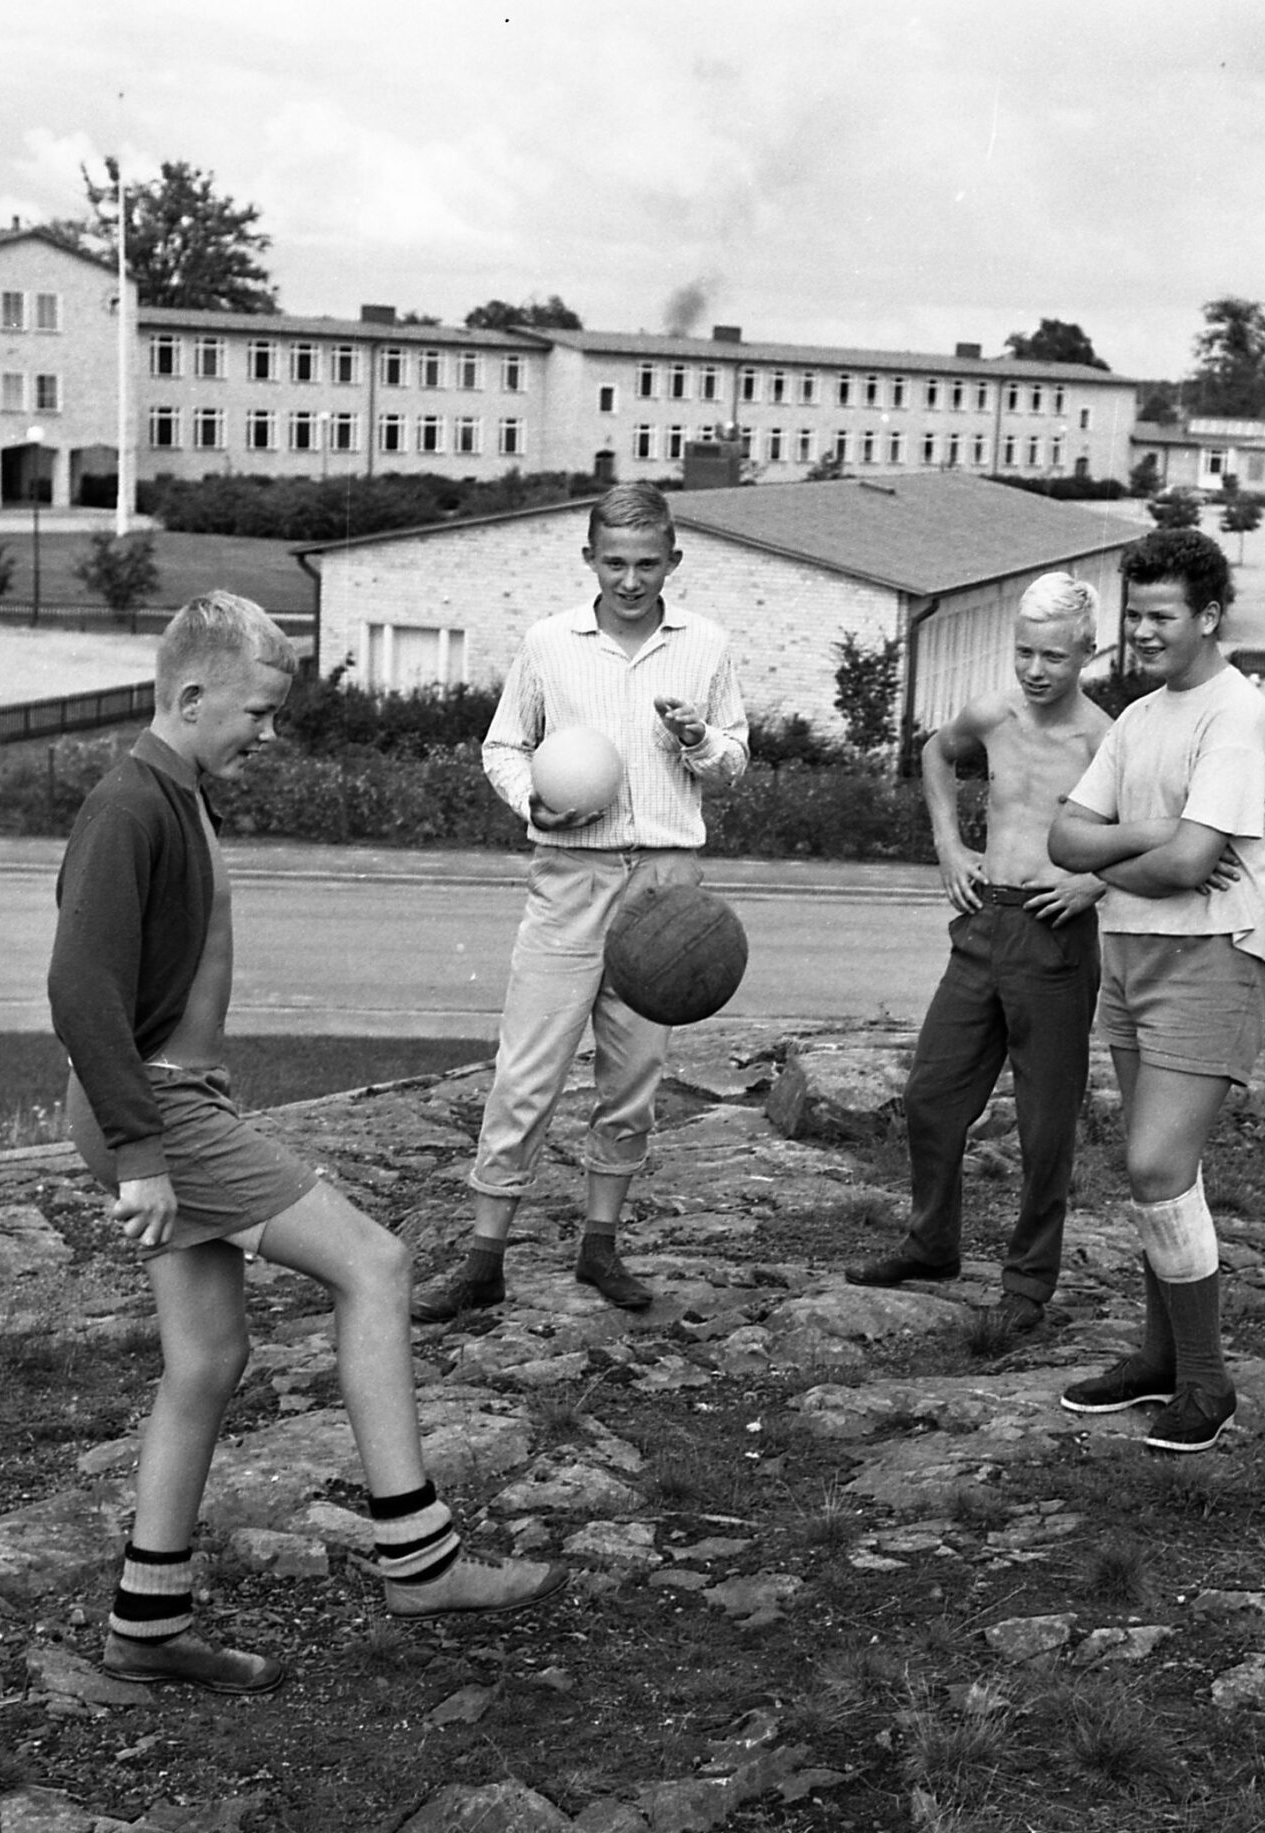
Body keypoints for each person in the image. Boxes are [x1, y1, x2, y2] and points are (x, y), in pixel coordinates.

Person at [49, 590, 564, 1694]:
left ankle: (146, 1626)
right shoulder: (128, 807)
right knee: (374, 1265)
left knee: (207, 1362)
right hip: (160, 1112)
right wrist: (142, 1151)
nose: (270, 734)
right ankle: (418, 1559)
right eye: (257, 713)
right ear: (191, 697)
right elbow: (79, 987)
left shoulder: (177, 795)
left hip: (179, 1107)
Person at [411, 482, 750, 1324]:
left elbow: (736, 764)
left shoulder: (704, 645)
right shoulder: (549, 643)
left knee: (633, 1080)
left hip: (666, 890)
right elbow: (502, 745)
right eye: (613, 563)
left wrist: (699, 740)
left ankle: (601, 1249)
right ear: (589, 560)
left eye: (646, 563)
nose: (630, 580)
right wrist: (534, 802)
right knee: (526, 1073)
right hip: (569, 874)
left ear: (673, 561)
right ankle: (483, 1259)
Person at [1048, 529, 1265, 1455]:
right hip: (1136, 955)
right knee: (1160, 1176)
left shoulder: (1236, 716)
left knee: (1154, 1165)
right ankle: (1157, 1362)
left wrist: (1136, 855)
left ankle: (1206, 1382)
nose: (1141, 633)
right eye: (1133, 615)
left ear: (1210, 616)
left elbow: (1196, 863)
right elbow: (1066, 841)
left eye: (1161, 617)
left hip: (1216, 955)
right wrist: (1154, 837)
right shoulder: (1142, 717)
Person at [847, 573, 1111, 1348]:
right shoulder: (994, 714)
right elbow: (936, 752)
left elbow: (1160, 826)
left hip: (1053, 934)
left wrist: (1094, 880)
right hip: (983, 921)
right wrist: (948, 843)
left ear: (1087, 654)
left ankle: (1027, 1284)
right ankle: (932, 1243)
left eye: (1053, 657)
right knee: (931, 1094)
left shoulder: (1105, 739)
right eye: (1024, 651)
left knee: (1044, 1127)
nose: (1035, 669)